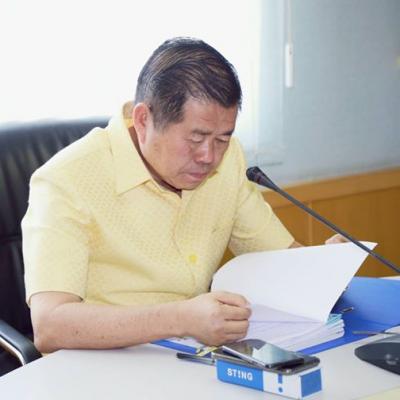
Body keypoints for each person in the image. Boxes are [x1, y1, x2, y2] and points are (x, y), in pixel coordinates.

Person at [22, 37, 343, 354]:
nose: (209, 156)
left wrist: (324, 267)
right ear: (143, 120)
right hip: (98, 364)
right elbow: (50, 325)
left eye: (222, 139)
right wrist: (180, 318)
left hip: (190, 356)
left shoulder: (229, 160)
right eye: (196, 138)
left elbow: (278, 257)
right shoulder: (67, 179)